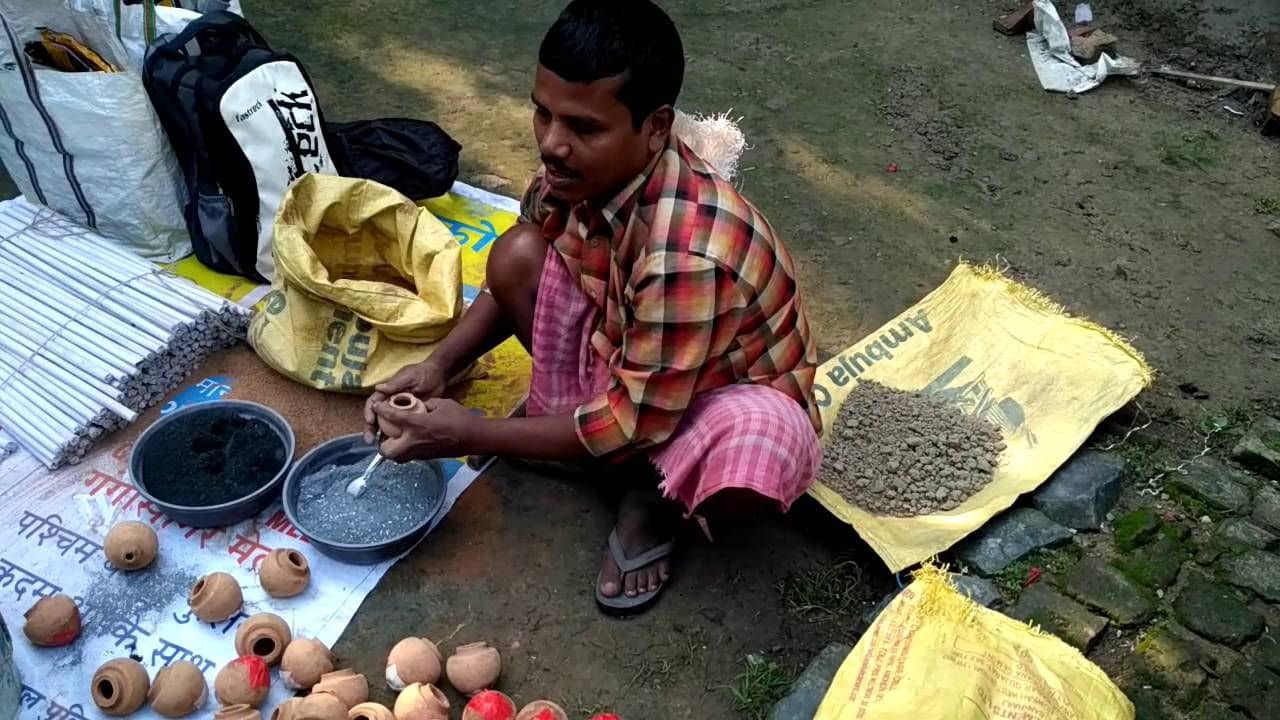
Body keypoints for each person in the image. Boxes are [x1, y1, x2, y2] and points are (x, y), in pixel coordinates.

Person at [365, 0, 822, 614]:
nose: (552, 144)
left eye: (583, 128)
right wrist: (438, 365)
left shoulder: (687, 256)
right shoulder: (574, 176)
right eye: (543, 113)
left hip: (711, 398)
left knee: (753, 450)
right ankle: (582, 448)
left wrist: (470, 431)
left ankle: (652, 502)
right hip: (641, 358)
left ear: (656, 127)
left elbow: (636, 422)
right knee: (518, 254)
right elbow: (516, 280)